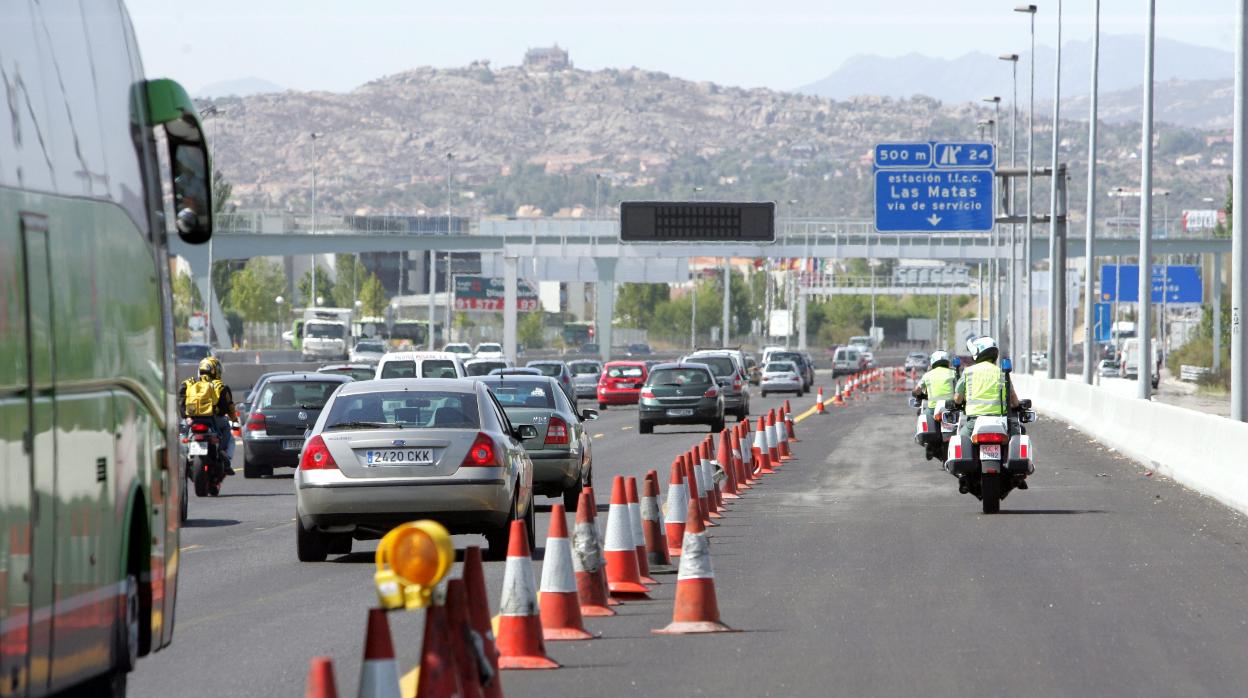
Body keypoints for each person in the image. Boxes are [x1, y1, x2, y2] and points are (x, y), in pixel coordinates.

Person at [951, 336, 1022, 439]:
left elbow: (957, 399)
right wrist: (1017, 406)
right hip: (1000, 421)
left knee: (961, 440)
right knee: (1016, 438)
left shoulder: (968, 372)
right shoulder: (1001, 373)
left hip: (974, 422)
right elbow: (1014, 400)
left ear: (977, 353)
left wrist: (959, 403)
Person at [178, 356, 237, 475]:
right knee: (227, 431)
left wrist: (187, 417)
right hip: (212, 419)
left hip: (191, 419)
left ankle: (180, 458)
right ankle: (224, 457)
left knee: (182, 433)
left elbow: (180, 401)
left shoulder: (188, 383)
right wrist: (234, 419)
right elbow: (226, 407)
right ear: (216, 371)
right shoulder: (220, 386)